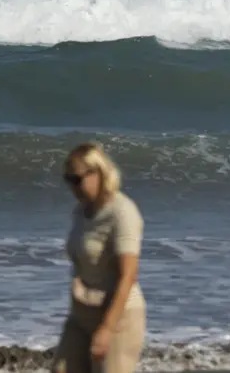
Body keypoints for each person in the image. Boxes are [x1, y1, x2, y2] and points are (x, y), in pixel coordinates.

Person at [51, 141, 146, 373]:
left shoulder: (122, 212)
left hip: (118, 318)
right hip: (81, 316)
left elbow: (128, 275)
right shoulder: (81, 212)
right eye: (68, 180)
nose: (72, 187)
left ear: (97, 173)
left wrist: (106, 328)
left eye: (77, 180)